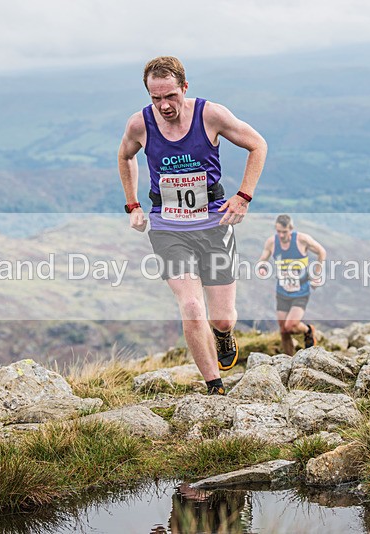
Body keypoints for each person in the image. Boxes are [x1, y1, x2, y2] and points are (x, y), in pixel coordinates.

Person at [118, 56, 267, 395]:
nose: (164, 105)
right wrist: (133, 204)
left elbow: (258, 145)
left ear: (184, 87)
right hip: (168, 226)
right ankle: (214, 384)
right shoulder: (140, 124)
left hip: (214, 223)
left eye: (170, 96)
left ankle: (224, 334)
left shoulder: (210, 115)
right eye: (156, 98)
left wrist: (243, 196)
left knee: (223, 317)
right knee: (189, 304)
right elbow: (125, 156)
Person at [256, 214, 326, 356]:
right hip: (282, 291)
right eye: (279, 231)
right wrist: (262, 267)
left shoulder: (301, 240)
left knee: (291, 325)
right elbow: (262, 259)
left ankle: (308, 330)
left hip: (301, 290)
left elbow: (321, 252)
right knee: (283, 330)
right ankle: (289, 360)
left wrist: (316, 274)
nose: (281, 235)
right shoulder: (271, 242)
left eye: (284, 231)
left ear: (291, 229)